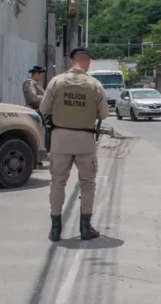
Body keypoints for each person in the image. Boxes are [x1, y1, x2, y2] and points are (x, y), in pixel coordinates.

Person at [39, 47, 109, 241]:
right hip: (85, 140)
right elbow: (103, 114)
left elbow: (44, 108)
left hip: (60, 138)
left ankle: (55, 229)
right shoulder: (94, 85)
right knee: (88, 183)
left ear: (72, 61)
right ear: (88, 62)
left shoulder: (56, 82)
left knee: (58, 182)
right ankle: (85, 228)